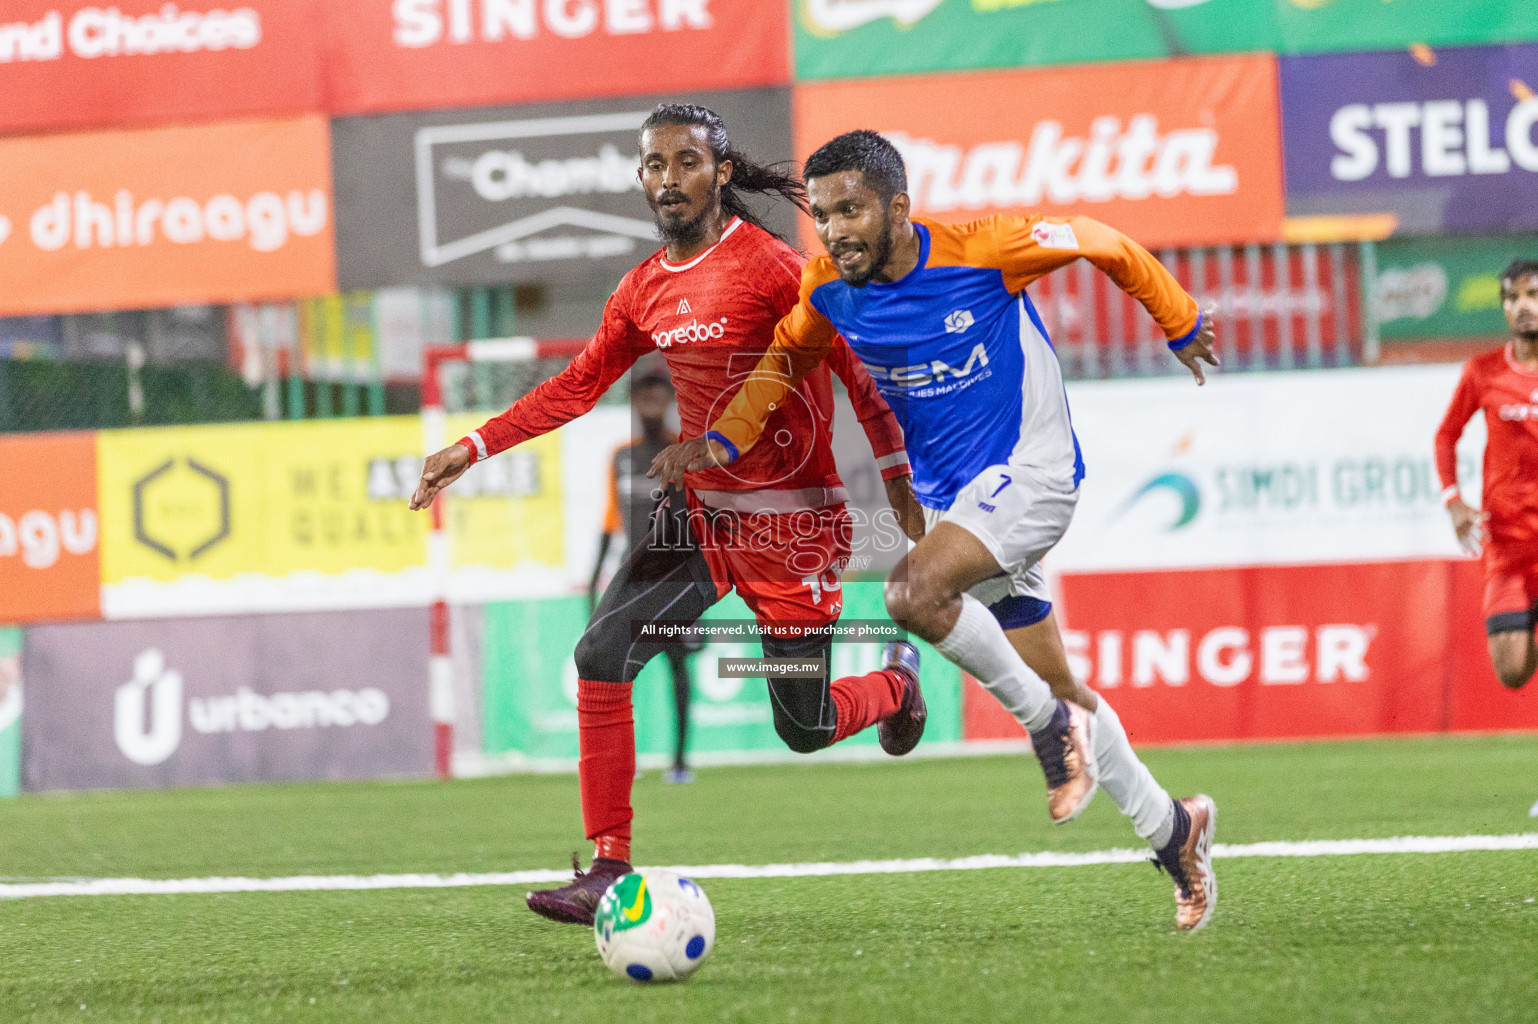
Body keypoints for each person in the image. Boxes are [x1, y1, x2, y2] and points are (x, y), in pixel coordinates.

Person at [653, 130, 1221, 932]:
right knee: (1064, 688)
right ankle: (1174, 830)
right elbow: (782, 363)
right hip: (968, 509)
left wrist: (1179, 319)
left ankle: (1048, 730)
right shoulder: (828, 287)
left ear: (899, 208)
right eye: (823, 215)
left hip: (1033, 475)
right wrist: (723, 439)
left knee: (913, 592)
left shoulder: (984, 249)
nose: (837, 229)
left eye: (851, 208)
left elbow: (1104, 241)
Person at [410, 107, 925, 926]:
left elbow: (857, 372)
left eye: (688, 162)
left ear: (721, 174)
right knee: (602, 651)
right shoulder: (643, 290)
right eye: (654, 164)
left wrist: (897, 475)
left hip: (791, 528)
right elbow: (574, 387)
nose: (668, 178)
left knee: (806, 724)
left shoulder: (772, 267)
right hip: (700, 520)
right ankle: (609, 868)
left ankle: (896, 684)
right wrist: (472, 446)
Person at [590, 371, 697, 785]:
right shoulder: (620, 457)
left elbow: (701, 525)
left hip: (673, 585)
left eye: (659, 398)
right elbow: (609, 521)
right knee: (613, 673)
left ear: (670, 401)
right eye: (644, 398)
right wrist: (593, 584)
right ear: (634, 402)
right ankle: (617, 762)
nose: (651, 406)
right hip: (631, 584)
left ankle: (680, 760)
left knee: (678, 669)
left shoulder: (683, 454)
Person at [1435, 259, 1538, 692]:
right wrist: (1453, 500)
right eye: (1512, 298)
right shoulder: (1483, 371)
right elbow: (1445, 436)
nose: (1523, 306)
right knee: (1512, 672)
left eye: (1532, 294)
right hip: (1509, 545)